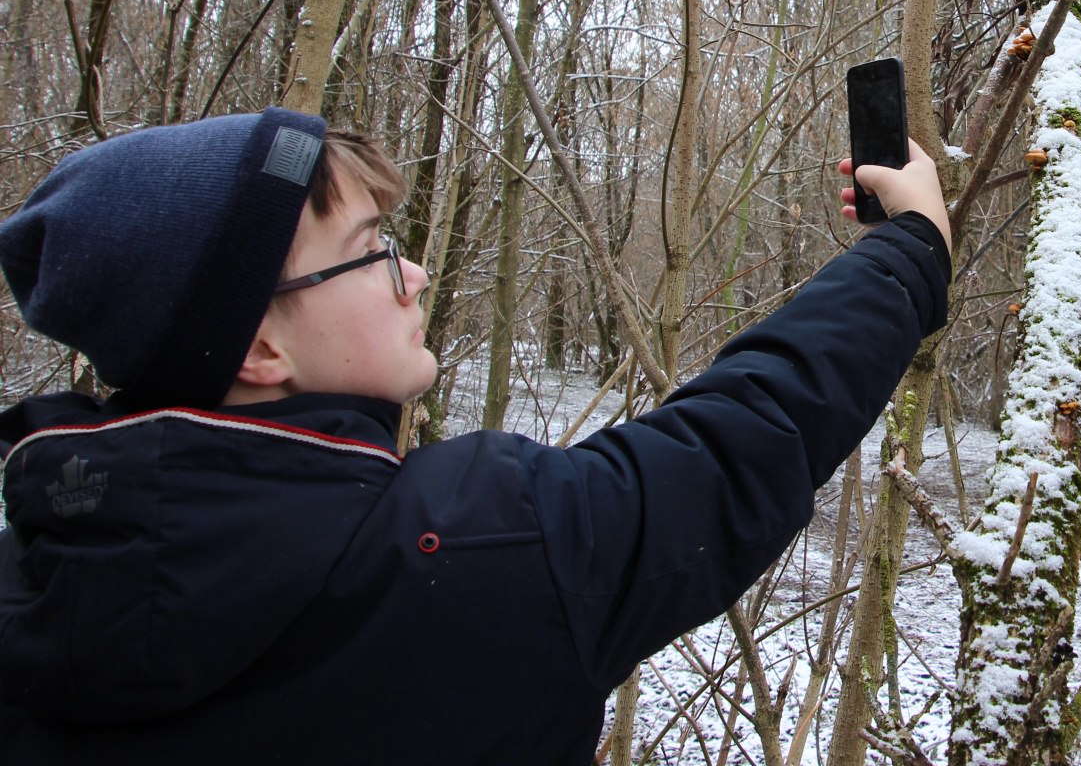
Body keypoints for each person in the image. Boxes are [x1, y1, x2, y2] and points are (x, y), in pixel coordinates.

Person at [0, 106, 950, 763]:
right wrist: (912, 248)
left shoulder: (36, 586)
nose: (412, 274)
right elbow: (749, 429)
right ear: (256, 346)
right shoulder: (478, 550)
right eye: (370, 251)